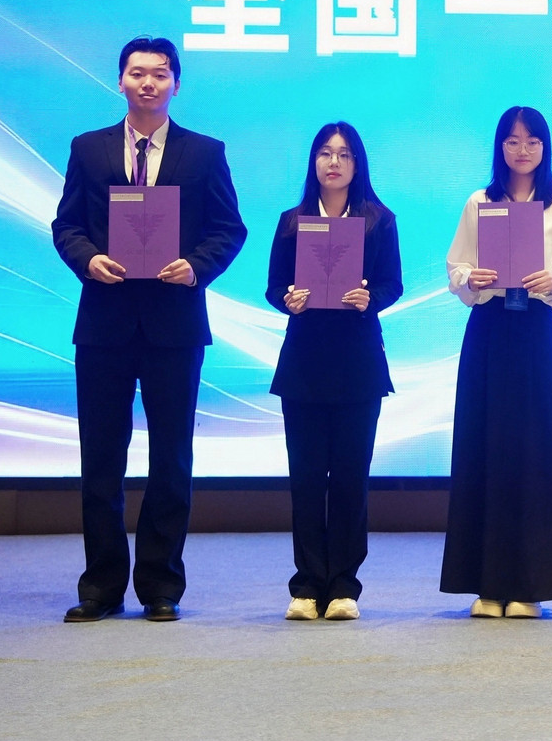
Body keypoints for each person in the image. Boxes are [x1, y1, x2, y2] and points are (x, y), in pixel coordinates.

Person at [51, 36, 247, 623]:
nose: (148, 83)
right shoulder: (88, 149)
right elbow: (66, 225)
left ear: (175, 84)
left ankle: (161, 585)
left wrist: (197, 266)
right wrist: (88, 259)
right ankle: (101, 586)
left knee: (171, 459)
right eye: (137, 73)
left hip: (174, 325)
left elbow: (228, 228)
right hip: (104, 323)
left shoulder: (204, 152)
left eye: (160, 74)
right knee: (101, 459)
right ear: (120, 81)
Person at [441, 107, 552, 619]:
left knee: (534, 452)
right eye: (512, 141)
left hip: (534, 334)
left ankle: (530, 585)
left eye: (531, 141)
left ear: (545, 148)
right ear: (499, 147)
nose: (522, 150)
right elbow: (455, 267)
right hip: (488, 331)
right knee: (484, 447)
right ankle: (486, 584)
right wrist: (470, 278)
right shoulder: (479, 202)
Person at [264, 122, 402, 622]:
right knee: (305, 479)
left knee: (349, 478)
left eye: (344, 154)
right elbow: (273, 286)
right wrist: (288, 300)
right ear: (314, 162)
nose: (334, 162)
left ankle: (344, 585)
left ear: (357, 164)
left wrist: (370, 298)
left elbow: (392, 284)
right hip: (304, 364)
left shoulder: (379, 221)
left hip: (358, 364)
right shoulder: (291, 221)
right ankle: (305, 586)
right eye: (325, 153)